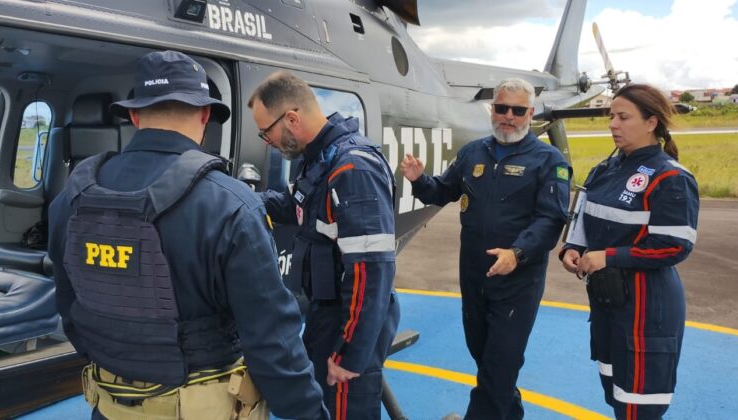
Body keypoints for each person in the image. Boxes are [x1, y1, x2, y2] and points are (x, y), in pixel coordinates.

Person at [47, 50, 328, 420]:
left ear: (134, 115)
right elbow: (272, 343)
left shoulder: (71, 200)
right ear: (204, 115)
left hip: (110, 407)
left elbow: (71, 310)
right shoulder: (231, 206)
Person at [401, 78, 571, 419]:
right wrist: (420, 180)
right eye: (502, 108)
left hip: (517, 283)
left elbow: (550, 221)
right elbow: (442, 192)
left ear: (530, 113)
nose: (508, 116)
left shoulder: (549, 161)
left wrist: (517, 253)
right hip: (475, 278)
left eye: (518, 110)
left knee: (498, 366)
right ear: (492, 110)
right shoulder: (473, 152)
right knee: (484, 358)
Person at [249, 71, 399, 420]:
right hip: (326, 314)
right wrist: (246, 197)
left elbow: (371, 270)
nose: (266, 141)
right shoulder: (320, 159)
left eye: (265, 131)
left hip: (350, 320)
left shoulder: (352, 168)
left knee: (345, 411)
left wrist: (351, 352)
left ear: (291, 118)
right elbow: (295, 206)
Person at [560, 84, 699, 420]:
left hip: (647, 310)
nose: (613, 124)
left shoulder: (670, 178)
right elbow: (582, 218)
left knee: (640, 406)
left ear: (651, 122)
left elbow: (674, 246)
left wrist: (608, 256)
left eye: (623, 117)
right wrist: (572, 248)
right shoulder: (604, 170)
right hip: (609, 304)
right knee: (617, 395)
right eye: (611, 116)